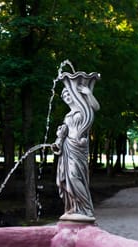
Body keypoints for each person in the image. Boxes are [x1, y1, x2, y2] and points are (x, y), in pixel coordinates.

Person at [51, 74, 100, 222]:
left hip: (79, 146)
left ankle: (86, 208)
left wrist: (88, 93)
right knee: (65, 179)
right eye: (64, 95)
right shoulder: (67, 116)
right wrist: (58, 139)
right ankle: (73, 207)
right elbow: (63, 132)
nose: (66, 96)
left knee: (74, 176)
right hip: (67, 147)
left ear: (73, 94)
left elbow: (96, 108)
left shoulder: (84, 109)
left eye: (68, 93)